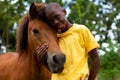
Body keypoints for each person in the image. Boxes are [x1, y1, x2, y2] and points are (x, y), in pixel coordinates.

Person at [38, 2, 100, 80]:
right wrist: (42, 59)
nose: (55, 22)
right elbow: (54, 69)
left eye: (57, 17)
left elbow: (95, 59)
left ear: (64, 12)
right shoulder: (54, 39)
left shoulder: (81, 30)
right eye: (51, 21)